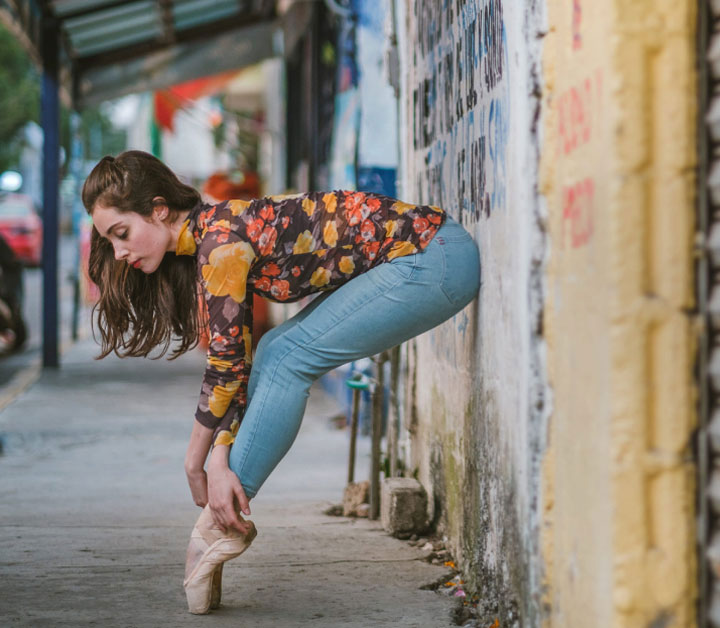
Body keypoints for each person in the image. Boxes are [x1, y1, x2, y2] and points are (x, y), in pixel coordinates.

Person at [82, 150, 481, 614]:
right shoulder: (215, 236)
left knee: (288, 356)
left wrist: (201, 463)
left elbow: (226, 367)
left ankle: (218, 524)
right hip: (429, 256)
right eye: (110, 242)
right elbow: (238, 362)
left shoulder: (220, 242)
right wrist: (218, 451)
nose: (120, 252)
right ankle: (221, 515)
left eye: (122, 234)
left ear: (158, 210)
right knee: (276, 353)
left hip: (433, 260)